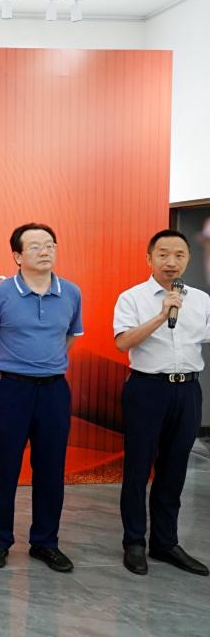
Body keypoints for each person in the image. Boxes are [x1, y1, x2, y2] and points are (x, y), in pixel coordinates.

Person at [0, 222, 82, 573]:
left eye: (50, 245)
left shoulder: (71, 293)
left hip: (54, 390)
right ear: (17, 256)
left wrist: (45, 365)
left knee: (51, 468)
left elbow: (70, 337)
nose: (45, 251)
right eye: (35, 246)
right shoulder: (0, 294)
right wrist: (14, 365)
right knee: (4, 466)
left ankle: (45, 542)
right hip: (11, 389)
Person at [113, 229, 210, 576]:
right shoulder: (132, 298)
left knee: (175, 469)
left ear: (188, 259)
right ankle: (134, 542)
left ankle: (166, 542)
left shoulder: (201, 300)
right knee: (138, 468)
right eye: (163, 254)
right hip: (147, 389)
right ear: (149, 258)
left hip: (188, 391)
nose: (171, 262)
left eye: (179, 255)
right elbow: (123, 342)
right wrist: (161, 314)